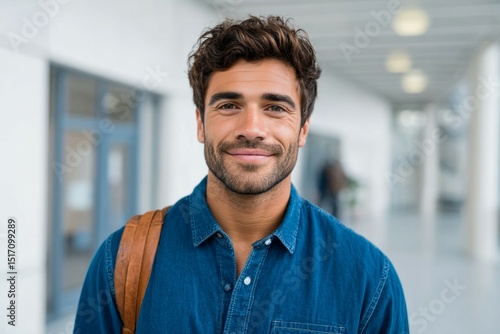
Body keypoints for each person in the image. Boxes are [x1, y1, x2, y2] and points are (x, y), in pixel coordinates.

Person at [74, 15, 409, 333]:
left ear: (303, 129)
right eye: (229, 105)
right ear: (200, 124)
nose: (251, 129)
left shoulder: (368, 277)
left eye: (275, 108)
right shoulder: (121, 260)